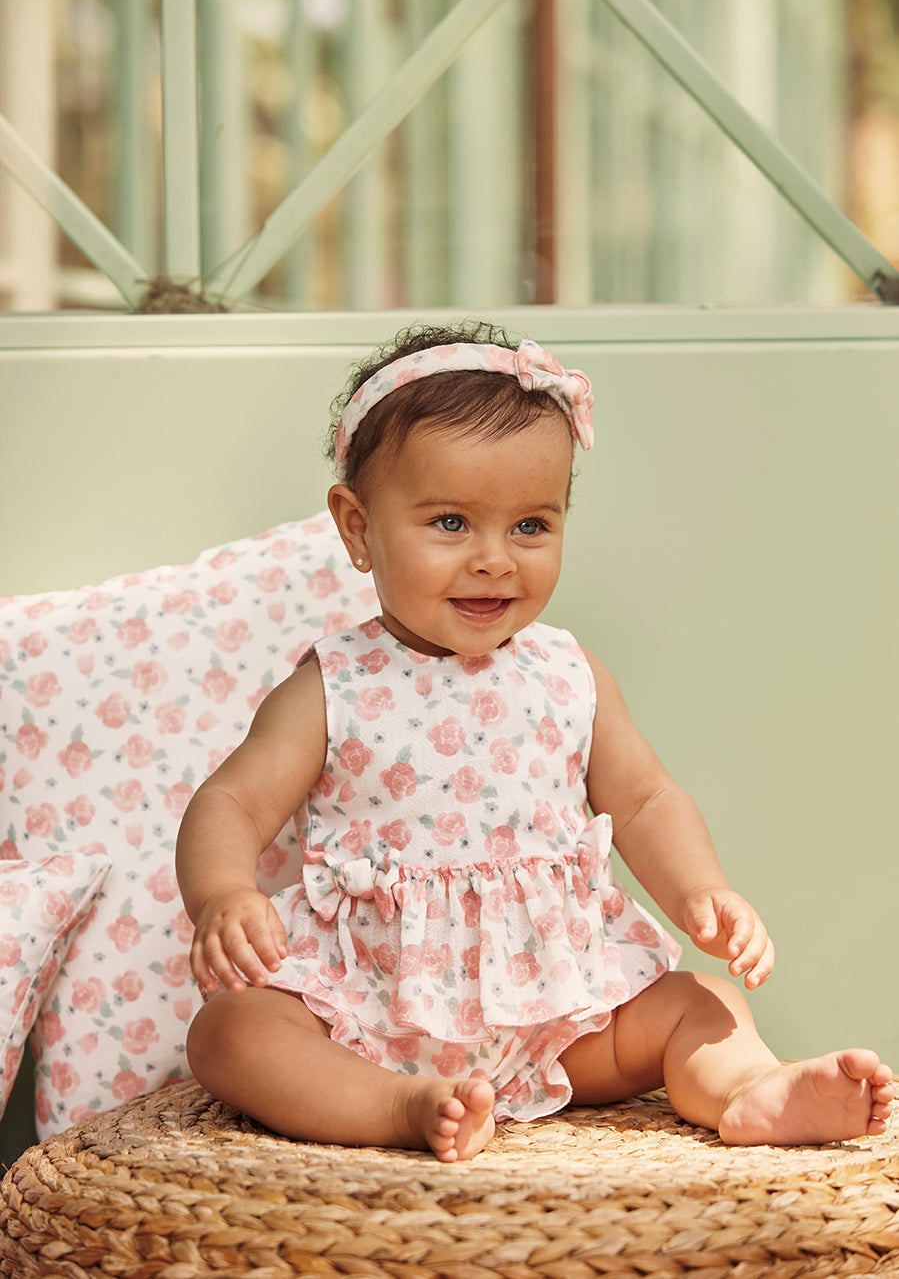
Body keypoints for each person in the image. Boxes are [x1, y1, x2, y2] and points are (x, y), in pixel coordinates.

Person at [176, 320, 893, 1163]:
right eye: (449, 522)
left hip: (560, 1015)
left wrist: (703, 890)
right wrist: (223, 893)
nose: (494, 560)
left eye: (529, 526)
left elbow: (644, 798)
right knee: (231, 1031)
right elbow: (231, 799)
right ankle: (397, 1106)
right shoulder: (334, 684)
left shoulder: (566, 671)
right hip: (365, 1009)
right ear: (357, 527)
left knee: (699, 1000)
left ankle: (746, 1089)